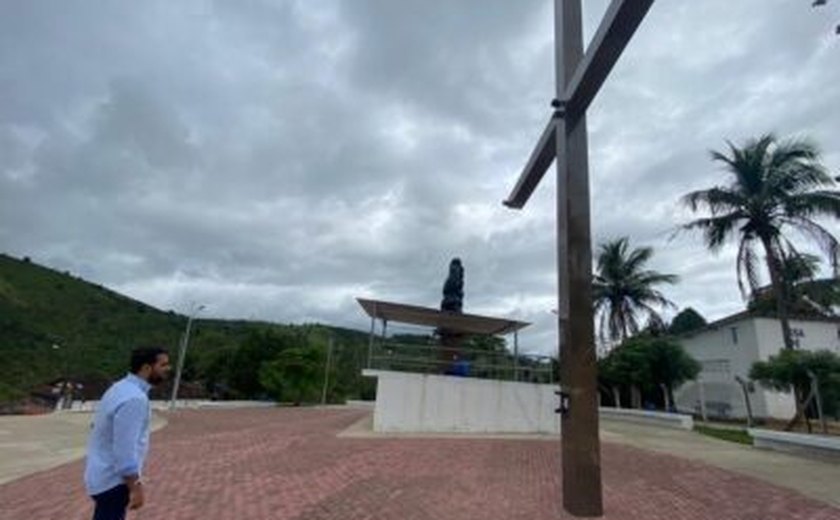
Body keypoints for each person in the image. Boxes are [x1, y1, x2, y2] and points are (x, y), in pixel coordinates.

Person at [84, 347, 171, 520]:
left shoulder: (118, 388)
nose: (167, 369)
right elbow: (124, 450)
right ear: (147, 368)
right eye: (163, 365)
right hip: (113, 482)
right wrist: (135, 486)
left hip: (99, 475)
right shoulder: (135, 399)